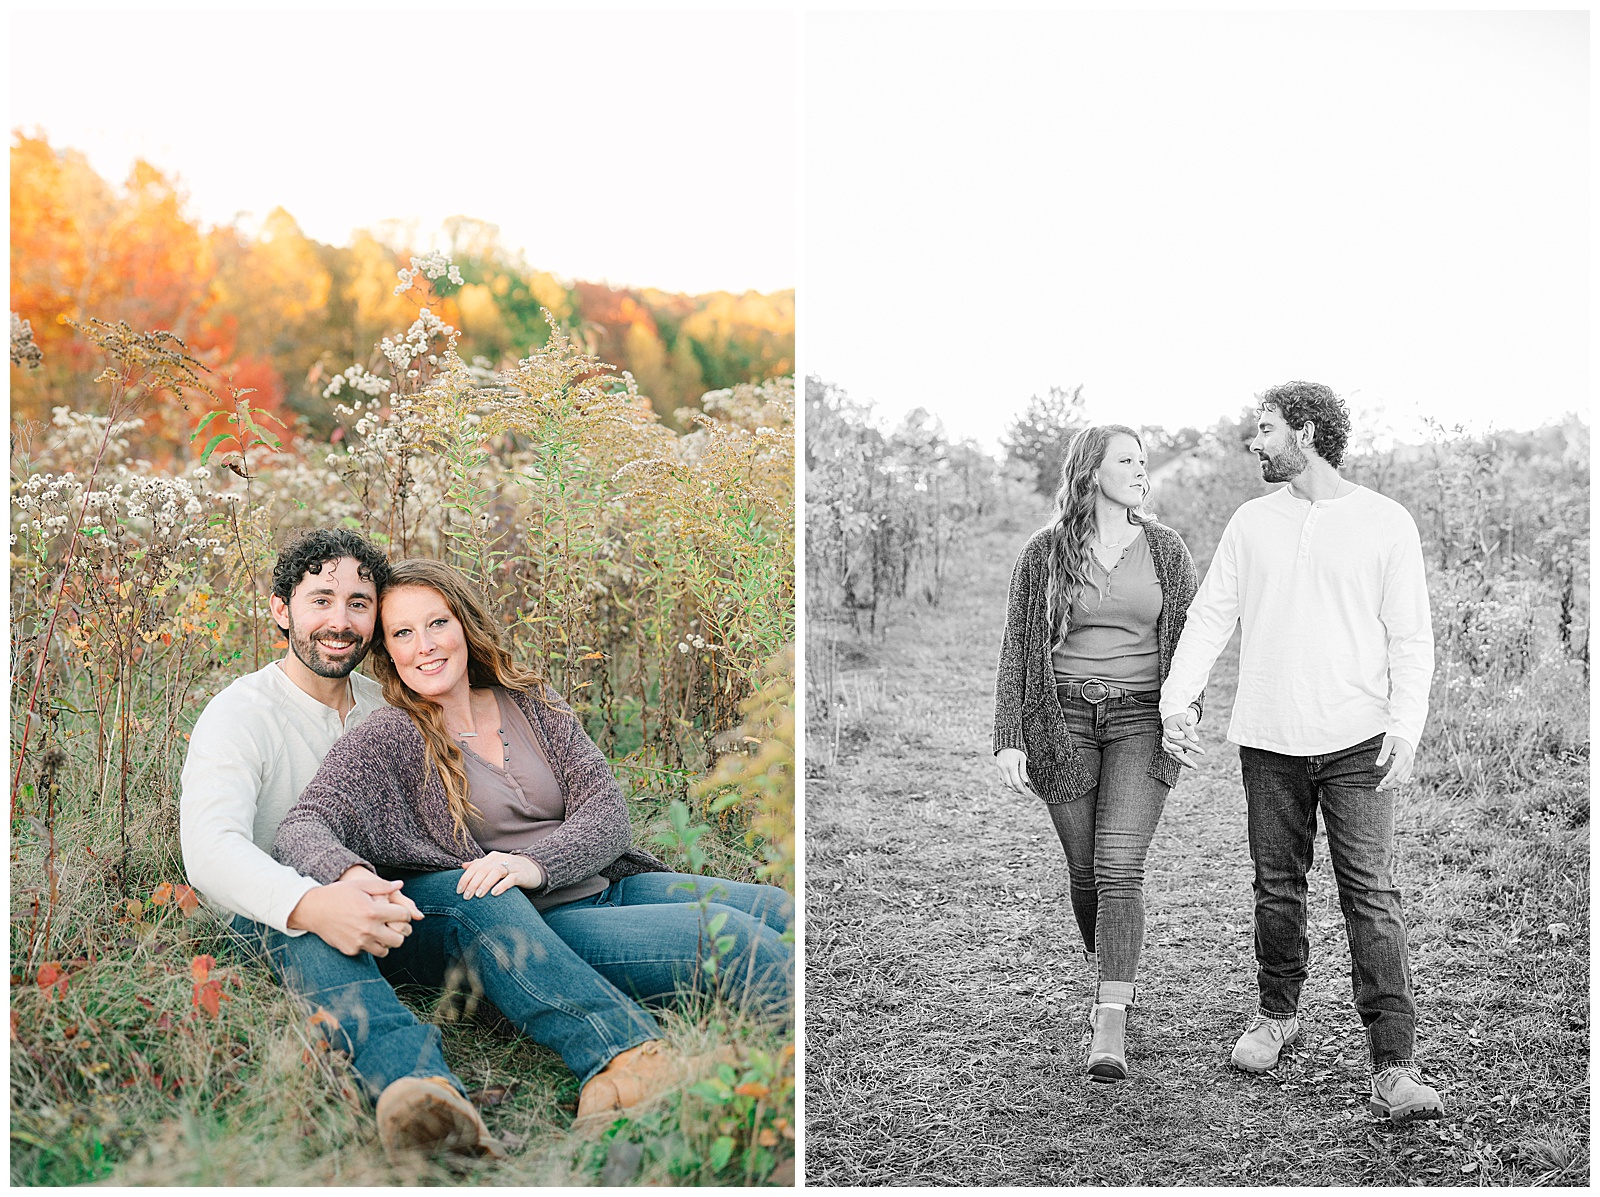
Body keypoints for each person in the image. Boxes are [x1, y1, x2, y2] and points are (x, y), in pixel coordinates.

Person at [271, 559, 793, 1138]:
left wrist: (535, 863)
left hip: (610, 884)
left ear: (464, 624)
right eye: (402, 633)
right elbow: (303, 826)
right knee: (741, 945)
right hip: (542, 926)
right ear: (387, 652)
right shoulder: (389, 737)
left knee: (781, 912)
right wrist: (346, 873)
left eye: (437, 623)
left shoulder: (530, 702)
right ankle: (784, 1095)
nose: (425, 646)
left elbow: (607, 813)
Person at [1158, 381, 1442, 1123]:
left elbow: (1411, 636)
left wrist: (1406, 727)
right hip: (1270, 738)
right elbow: (1211, 616)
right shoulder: (1252, 523)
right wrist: (1175, 700)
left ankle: (1394, 1064)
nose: (1254, 442)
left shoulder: (1385, 522)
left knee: (1370, 895)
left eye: (1265, 428)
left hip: (1360, 741)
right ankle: (1277, 1014)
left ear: (1307, 431)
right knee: (1276, 886)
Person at [993, 424, 1200, 1082]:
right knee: (1085, 872)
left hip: (1142, 716)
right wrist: (1009, 737)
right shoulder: (1046, 552)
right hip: (1061, 720)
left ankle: (1110, 1012)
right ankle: (1112, 963)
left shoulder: (1166, 550)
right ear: (1092, 472)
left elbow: (1189, 650)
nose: (1143, 470)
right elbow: (1017, 647)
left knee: (1118, 864)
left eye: (1144, 460)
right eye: (1128, 460)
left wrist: (1186, 712)